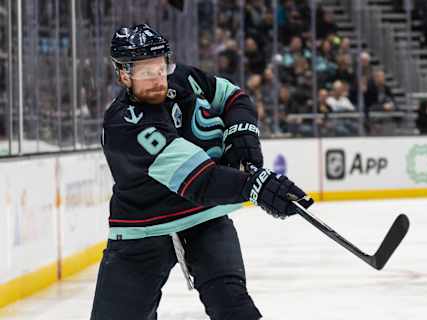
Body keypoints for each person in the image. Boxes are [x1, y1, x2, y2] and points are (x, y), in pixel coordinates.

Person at [90, 24, 313, 320]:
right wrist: (258, 188)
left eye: (160, 67)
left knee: (234, 308)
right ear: (123, 74)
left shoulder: (182, 78)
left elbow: (234, 98)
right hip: (143, 229)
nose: (158, 79)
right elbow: (201, 181)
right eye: (145, 72)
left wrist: (242, 133)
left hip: (203, 218)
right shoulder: (126, 125)